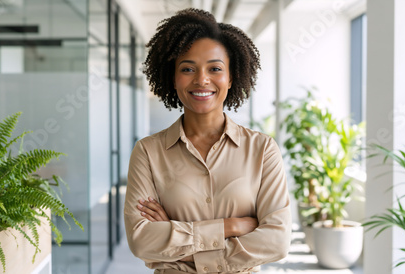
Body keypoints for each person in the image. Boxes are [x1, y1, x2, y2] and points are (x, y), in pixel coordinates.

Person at [124, 8, 291, 274]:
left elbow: (277, 242)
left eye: (215, 68)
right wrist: (231, 226)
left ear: (231, 76)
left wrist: (176, 237)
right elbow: (142, 241)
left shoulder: (262, 149)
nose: (202, 79)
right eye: (187, 68)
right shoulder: (148, 152)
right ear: (173, 78)